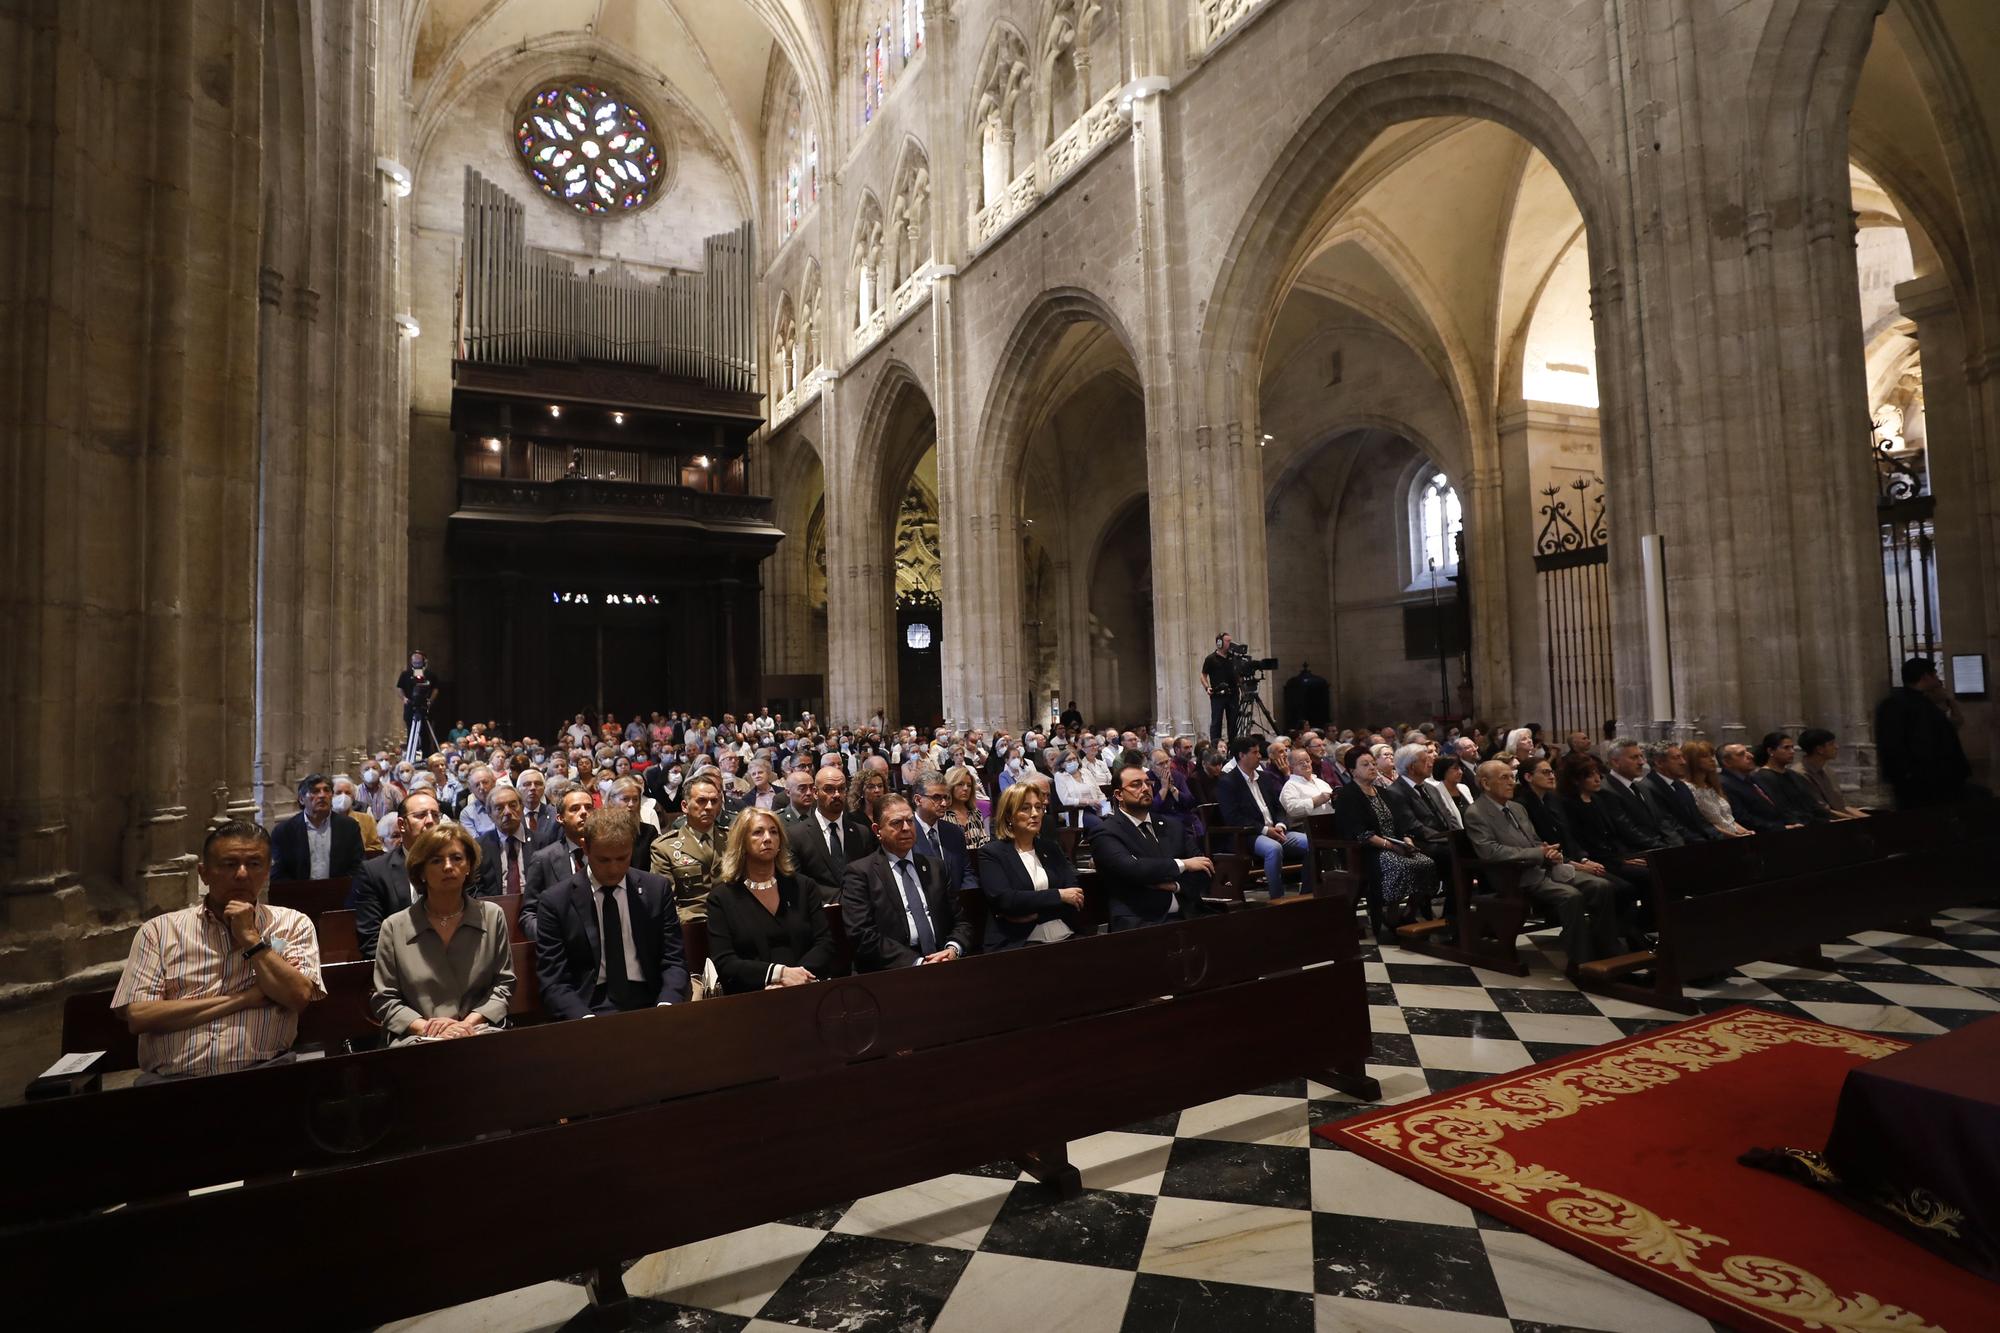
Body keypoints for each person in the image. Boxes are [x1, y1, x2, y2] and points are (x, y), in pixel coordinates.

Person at [111, 821, 324, 1082]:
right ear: (204, 873)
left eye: (254, 864)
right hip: (172, 1081)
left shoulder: (291, 924)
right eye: (229, 864)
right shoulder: (158, 931)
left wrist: (251, 939)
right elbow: (140, 1017)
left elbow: (298, 997)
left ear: (268, 871)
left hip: (266, 1073)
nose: (242, 874)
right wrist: (244, 999)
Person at [1464, 761, 1628, 966]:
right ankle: (1580, 961)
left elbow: (1533, 839)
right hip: (1516, 876)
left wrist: (1549, 851)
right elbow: (1491, 852)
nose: (1511, 783)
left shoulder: (1516, 807)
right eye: (1504, 778)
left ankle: (1607, 950)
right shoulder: (1476, 813)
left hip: (1544, 868)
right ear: (1486, 784)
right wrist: (1539, 853)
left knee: (1601, 885)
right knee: (1571, 896)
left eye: (1512, 777)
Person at [533, 808, 689, 1019]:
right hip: (589, 1005)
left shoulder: (656, 890)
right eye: (604, 860)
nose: (614, 869)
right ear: (584, 847)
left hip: (652, 999)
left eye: (622, 858)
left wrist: (667, 1003)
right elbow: (554, 981)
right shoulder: (556, 902)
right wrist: (584, 1019)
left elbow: (674, 960)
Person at [369, 822, 514, 1044]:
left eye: (457, 858)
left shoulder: (492, 916)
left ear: (468, 867)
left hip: (479, 1032)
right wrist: (429, 1029)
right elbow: (385, 999)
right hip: (418, 1038)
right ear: (421, 872)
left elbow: (503, 985)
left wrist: (467, 1025)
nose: (448, 867)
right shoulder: (394, 926)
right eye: (436, 860)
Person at [707, 806, 839, 992]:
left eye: (774, 832)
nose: (768, 838)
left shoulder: (803, 887)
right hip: (752, 997)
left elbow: (824, 943)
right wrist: (778, 975)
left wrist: (797, 978)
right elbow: (725, 961)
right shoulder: (722, 897)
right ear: (741, 842)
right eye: (758, 833)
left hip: (808, 987)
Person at [841, 793, 975, 970]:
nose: (906, 828)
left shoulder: (935, 867)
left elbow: (961, 922)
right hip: (894, 971)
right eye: (896, 823)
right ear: (877, 830)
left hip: (943, 961)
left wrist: (953, 949)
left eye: (910, 821)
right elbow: (863, 936)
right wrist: (918, 963)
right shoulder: (860, 873)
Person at [1090, 761, 1215, 930]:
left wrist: (1176, 886)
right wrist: (1183, 864)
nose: (1145, 788)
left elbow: (1204, 868)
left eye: (1148, 783)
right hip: (1140, 920)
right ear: (1119, 794)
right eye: (1136, 785)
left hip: (1189, 913)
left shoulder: (1173, 825)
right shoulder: (1105, 832)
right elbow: (1133, 869)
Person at [1332, 747, 1439, 942]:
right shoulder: (1347, 795)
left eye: (1373, 763)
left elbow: (1399, 822)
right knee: (1402, 865)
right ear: (1352, 770)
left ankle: (1408, 912)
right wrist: (1390, 846)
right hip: (1367, 851)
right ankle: (1390, 915)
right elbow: (1358, 832)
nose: (1372, 767)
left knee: (1427, 863)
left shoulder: (1383, 792)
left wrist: (1406, 839)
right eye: (1365, 765)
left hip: (1394, 845)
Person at [976, 781, 1084, 950]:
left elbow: (1075, 895)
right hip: (1020, 943)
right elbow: (1007, 901)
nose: (1035, 814)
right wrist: (1058, 895)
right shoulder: (992, 853)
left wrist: (1033, 911)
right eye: (1025, 808)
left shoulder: (1051, 848)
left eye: (1038, 807)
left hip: (1066, 934)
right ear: (1009, 816)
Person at [1874, 657, 1976, 808]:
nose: (1938, 678)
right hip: (1927, 782)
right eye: (1935, 674)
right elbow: (1922, 743)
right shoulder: (1916, 707)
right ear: (1925, 677)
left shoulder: (1898, 703)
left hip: (1918, 779)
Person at [1216, 734, 1309, 895]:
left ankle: (1308, 892)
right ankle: (1276, 896)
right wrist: (1266, 830)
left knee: (1310, 843)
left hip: (1276, 830)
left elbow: (1278, 807)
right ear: (1241, 755)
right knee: (1273, 849)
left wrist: (1280, 824)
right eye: (1254, 752)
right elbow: (1233, 817)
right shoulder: (1228, 782)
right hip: (1249, 835)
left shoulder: (1264, 778)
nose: (1259, 756)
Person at [1556, 752, 1655, 888]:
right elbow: (1579, 842)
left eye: (1597, 773)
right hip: (1596, 860)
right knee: (1635, 882)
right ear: (1576, 779)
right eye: (1590, 775)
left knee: (1654, 869)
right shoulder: (1567, 805)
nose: (1598, 779)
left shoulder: (1599, 799)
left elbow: (1612, 835)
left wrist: (1625, 857)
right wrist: (1621, 861)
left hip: (1613, 856)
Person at [786, 764, 880, 901]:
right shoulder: (796, 835)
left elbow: (871, 876)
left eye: (841, 789)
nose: (837, 795)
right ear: (815, 792)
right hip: (819, 912)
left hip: (859, 910)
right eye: (829, 789)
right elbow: (796, 884)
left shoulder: (861, 832)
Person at [651, 770, 725, 923]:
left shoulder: (733, 839)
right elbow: (666, 901)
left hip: (733, 920)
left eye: (714, 801)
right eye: (702, 801)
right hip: (692, 925)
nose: (709, 807)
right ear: (685, 806)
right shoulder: (664, 848)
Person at [524, 782, 595, 940]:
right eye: (575, 808)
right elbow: (529, 914)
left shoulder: (607, 853)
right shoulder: (543, 859)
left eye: (588, 808)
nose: (584, 812)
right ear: (560, 818)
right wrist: (549, 939)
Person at [270, 773, 365, 883]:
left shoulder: (349, 827)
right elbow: (277, 872)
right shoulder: (284, 831)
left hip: (339, 893)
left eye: (326, 790)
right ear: (301, 799)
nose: (322, 795)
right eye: (315, 791)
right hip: (298, 894)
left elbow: (358, 866)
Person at [1597, 740, 1683, 850]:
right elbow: (1628, 831)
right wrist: (1665, 849)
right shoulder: (1606, 790)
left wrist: (1677, 844)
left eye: (1641, 756)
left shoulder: (1642, 786)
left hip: (1662, 847)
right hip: (1640, 852)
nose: (1641, 762)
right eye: (1634, 758)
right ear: (1615, 762)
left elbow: (1661, 821)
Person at [1637, 742, 1722, 842]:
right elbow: (1669, 825)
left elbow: (1698, 818)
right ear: (1659, 763)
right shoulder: (1647, 787)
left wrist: (1718, 836)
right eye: (1676, 758)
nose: (1683, 762)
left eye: (1682, 757)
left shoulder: (1680, 784)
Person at [910, 770, 976, 888]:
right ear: (918, 800)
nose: (944, 803)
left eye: (945, 797)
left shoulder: (955, 832)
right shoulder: (907, 833)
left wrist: (968, 898)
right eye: (936, 798)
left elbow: (967, 872)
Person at [1752, 732, 1832, 825]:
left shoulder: (1793, 775)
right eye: (1786, 748)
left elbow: (1811, 803)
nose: (1792, 751)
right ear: (1770, 751)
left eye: (1792, 747)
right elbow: (1781, 808)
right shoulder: (1762, 777)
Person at [478, 783, 538, 901]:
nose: (507, 812)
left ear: (521, 808)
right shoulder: (479, 847)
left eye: (513, 805)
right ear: (489, 814)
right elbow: (475, 889)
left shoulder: (542, 842)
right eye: (499, 808)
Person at [1718, 742, 1794, 834]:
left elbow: (1777, 806)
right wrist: (1781, 828)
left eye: (1747, 752)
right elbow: (1743, 818)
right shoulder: (1723, 784)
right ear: (1727, 762)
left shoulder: (1754, 778)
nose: (1750, 755)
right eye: (1741, 754)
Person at [1682, 740, 1752, 837]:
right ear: (1692, 760)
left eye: (1711, 756)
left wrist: (1745, 831)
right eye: (1705, 756)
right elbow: (1704, 823)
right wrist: (1734, 836)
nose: (1712, 760)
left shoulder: (1711, 786)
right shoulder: (1688, 788)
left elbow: (1728, 819)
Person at [1797, 729, 1868, 819]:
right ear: (1820, 749)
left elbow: (1841, 806)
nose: (1836, 747)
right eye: (1831, 744)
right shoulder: (1800, 774)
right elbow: (1822, 811)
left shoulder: (1827, 770)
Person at [397, 650, 442, 762]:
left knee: (425, 733)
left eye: (419, 661)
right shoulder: (405, 674)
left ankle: (427, 757)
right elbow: (399, 688)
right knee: (411, 732)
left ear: (424, 661)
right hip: (410, 707)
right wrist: (404, 698)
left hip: (425, 707)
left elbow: (436, 689)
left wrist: (430, 701)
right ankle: (411, 759)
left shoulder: (430, 675)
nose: (416, 664)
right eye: (414, 661)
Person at [1201, 632, 1240, 743]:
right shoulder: (1211, 658)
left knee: (1233, 722)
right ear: (1219, 643)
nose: (1230, 643)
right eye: (1227, 641)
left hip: (1233, 694)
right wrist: (1207, 687)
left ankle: (1233, 746)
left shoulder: (1233, 658)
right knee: (1216, 721)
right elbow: (1203, 674)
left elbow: (1238, 674)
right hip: (1218, 695)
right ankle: (1215, 745)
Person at [1279, 746, 1334, 824]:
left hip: (1332, 821)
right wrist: (1314, 801)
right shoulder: (1290, 786)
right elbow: (1291, 810)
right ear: (1291, 767)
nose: (1305, 764)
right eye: (1300, 763)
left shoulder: (1321, 782)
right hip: (1309, 827)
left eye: (1307, 761)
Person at [943, 764, 991, 849]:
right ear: (950, 786)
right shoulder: (942, 815)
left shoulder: (976, 813)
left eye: (969, 785)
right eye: (960, 784)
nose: (965, 788)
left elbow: (984, 843)